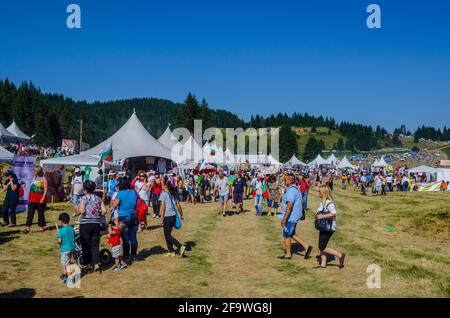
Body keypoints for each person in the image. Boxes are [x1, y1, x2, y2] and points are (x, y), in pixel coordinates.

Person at [278, 173, 312, 260]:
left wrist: (284, 219)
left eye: (285, 179)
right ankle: (306, 247)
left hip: (291, 217)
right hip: (293, 216)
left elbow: (289, 205)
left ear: (290, 181)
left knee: (286, 235)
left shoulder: (292, 191)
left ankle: (288, 254)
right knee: (291, 233)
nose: (284, 181)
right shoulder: (293, 189)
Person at [77, 180, 106, 272]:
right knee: (95, 244)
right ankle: (96, 263)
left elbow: (82, 211)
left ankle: (88, 264)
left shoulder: (84, 198)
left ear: (85, 189)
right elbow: (104, 211)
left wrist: (76, 209)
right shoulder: (98, 198)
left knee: (85, 245)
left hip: (85, 224)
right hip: (96, 223)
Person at [314, 185, 346, 269]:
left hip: (328, 228)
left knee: (322, 246)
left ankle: (340, 255)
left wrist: (321, 217)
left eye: (319, 192)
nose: (318, 193)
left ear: (323, 193)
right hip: (324, 227)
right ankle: (323, 264)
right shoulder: (323, 202)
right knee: (323, 245)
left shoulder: (329, 203)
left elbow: (334, 213)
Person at [112, 177, 138, 260]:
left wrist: (115, 195)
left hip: (124, 217)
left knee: (125, 237)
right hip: (134, 215)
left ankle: (126, 255)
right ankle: (133, 255)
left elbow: (114, 205)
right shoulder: (134, 192)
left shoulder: (120, 193)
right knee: (133, 237)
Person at [159, 182, 186, 257]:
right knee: (167, 234)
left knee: (167, 235)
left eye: (163, 184)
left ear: (165, 186)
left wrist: (161, 218)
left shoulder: (163, 194)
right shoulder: (174, 194)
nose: (162, 186)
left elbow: (162, 207)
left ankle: (180, 246)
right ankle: (171, 251)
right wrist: (181, 214)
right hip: (174, 216)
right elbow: (178, 205)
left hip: (167, 216)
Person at [22, 166, 48, 234]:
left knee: (40, 214)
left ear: (38, 172)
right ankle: (27, 228)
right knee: (30, 214)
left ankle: (41, 227)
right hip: (32, 199)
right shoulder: (33, 178)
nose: (33, 172)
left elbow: (45, 190)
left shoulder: (43, 179)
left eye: (35, 171)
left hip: (40, 200)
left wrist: (43, 198)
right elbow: (31, 189)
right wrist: (29, 198)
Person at [56, 212, 75, 284]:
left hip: (64, 250)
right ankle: (65, 276)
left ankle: (70, 278)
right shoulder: (71, 228)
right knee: (67, 262)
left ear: (61, 221)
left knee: (66, 265)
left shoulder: (61, 231)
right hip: (71, 248)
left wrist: (58, 234)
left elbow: (59, 241)